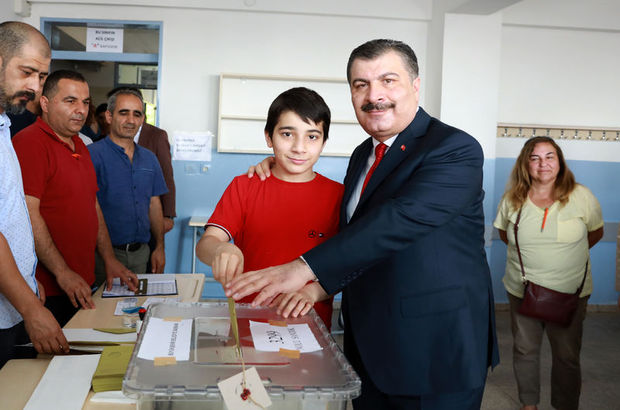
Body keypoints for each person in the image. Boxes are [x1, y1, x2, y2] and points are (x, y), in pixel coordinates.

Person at [228, 39, 499, 409]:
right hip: (368, 348)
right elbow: (357, 238)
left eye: (388, 80)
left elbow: (396, 221)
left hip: (434, 352)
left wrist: (303, 268)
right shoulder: (363, 155)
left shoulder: (453, 148)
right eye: (361, 85)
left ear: (415, 85)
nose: (374, 96)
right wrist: (277, 167)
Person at [196, 87, 341, 329]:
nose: (299, 147)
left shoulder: (338, 196)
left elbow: (344, 265)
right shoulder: (244, 186)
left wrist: (313, 291)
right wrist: (221, 249)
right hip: (248, 325)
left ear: (324, 142)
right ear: (269, 137)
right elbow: (206, 244)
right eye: (287, 134)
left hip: (310, 328)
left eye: (312, 137)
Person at [12, 70, 138, 326]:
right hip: (48, 288)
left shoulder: (80, 144)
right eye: (70, 101)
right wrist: (62, 272)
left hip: (81, 282)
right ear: (45, 103)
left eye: (85, 102)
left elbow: (93, 205)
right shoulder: (29, 143)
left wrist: (109, 259)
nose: (81, 110)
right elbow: (28, 214)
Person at [493, 136, 603, 410]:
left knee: (567, 356)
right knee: (525, 350)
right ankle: (529, 404)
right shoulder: (512, 199)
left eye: (549, 156)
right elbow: (506, 235)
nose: (543, 164)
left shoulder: (582, 196)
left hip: (570, 293)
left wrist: (564, 259)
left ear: (559, 161)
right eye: (535, 158)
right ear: (525, 164)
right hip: (523, 291)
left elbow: (595, 233)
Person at [0, 21, 69, 368]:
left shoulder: (4, 126)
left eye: (41, 76)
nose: (34, 86)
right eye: (26, 72)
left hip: (11, 303)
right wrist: (30, 308)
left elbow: (9, 213)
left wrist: (27, 281)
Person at [89, 88, 168, 282]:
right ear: (109, 116)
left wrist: (159, 247)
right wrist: (108, 257)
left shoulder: (149, 158)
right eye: (123, 113)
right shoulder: (91, 156)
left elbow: (154, 204)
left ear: (143, 120)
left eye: (137, 114)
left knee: (137, 301)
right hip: (101, 257)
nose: (131, 120)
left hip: (141, 254)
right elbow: (88, 207)